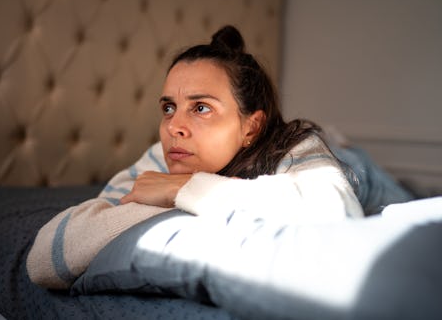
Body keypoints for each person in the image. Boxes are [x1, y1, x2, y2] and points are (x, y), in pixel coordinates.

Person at [26, 25, 364, 289]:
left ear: (251, 126)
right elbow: (45, 259)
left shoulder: (293, 145)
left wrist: (181, 189)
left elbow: (339, 213)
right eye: (169, 108)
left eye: (201, 108)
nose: (175, 126)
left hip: (357, 170)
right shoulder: (163, 157)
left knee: (359, 166)